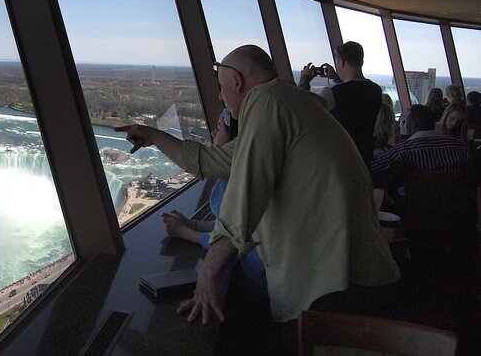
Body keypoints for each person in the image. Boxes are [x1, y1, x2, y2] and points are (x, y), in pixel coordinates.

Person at [116, 45, 399, 329]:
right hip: (353, 278)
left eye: (220, 88)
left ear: (237, 81)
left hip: (335, 288)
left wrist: (208, 273)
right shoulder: (291, 103)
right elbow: (212, 160)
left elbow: (245, 197)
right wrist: (153, 135)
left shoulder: (267, 102)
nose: (219, 96)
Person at [161, 107, 266, 291]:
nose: (213, 132)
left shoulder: (236, 177)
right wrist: (190, 223)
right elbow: (224, 223)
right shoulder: (242, 171)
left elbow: (227, 238)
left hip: (259, 279)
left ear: (234, 137)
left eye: (219, 128)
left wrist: (182, 232)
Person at [298, 41, 383, 168]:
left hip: (339, 158)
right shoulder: (375, 90)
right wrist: (337, 79)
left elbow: (303, 109)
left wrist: (304, 81)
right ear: (361, 62)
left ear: (342, 62)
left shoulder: (333, 94)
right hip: (365, 156)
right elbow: (355, 94)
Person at [371, 104, 467, 190]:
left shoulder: (404, 149)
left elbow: (373, 167)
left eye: (406, 123)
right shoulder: (460, 147)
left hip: (414, 205)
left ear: (413, 125)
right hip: (453, 202)